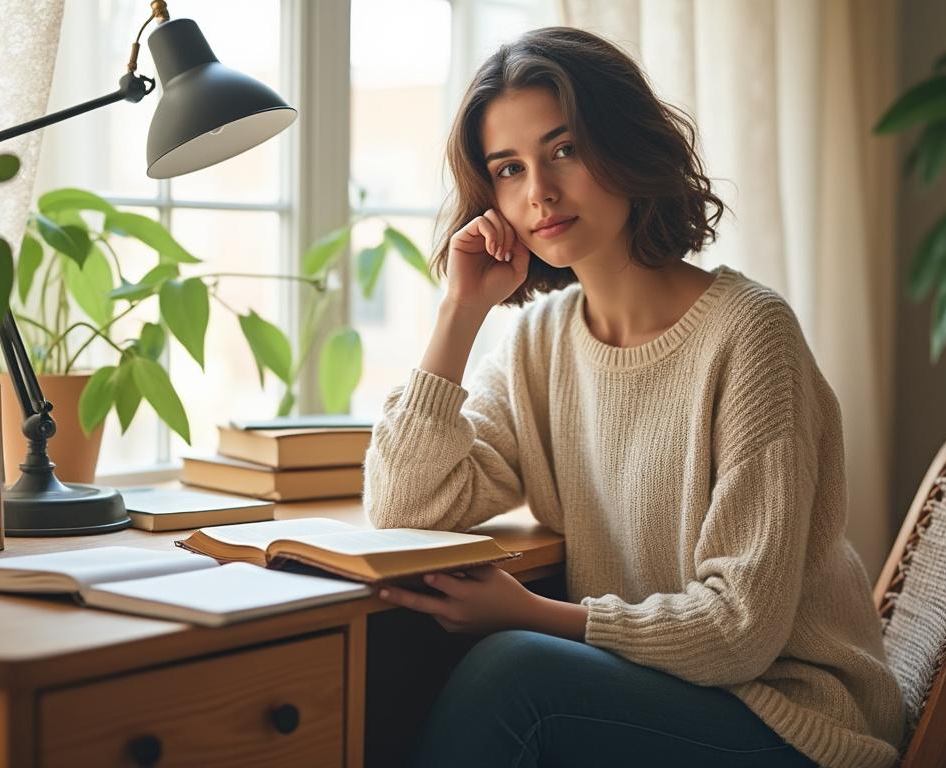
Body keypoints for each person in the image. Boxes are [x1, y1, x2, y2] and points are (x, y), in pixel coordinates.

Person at [363, 26, 904, 768]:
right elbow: (403, 505)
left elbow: (740, 629)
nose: (540, 193)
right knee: (400, 682)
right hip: (659, 690)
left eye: (563, 150)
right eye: (509, 169)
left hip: (792, 718)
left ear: (624, 145)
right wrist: (460, 313)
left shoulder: (751, 333)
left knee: (512, 674)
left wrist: (533, 614)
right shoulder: (539, 342)